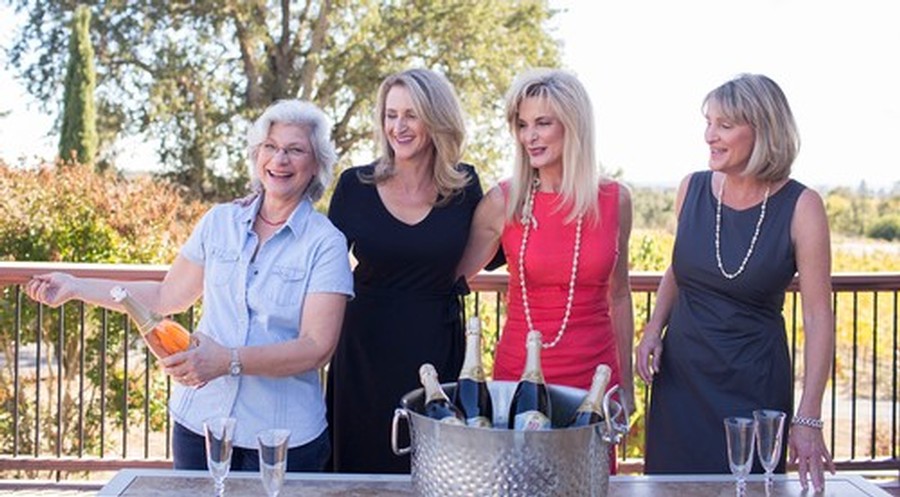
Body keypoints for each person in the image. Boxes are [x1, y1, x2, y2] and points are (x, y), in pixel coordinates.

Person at [25, 99, 354, 472]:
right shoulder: (219, 223)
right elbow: (167, 296)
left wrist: (228, 361)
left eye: (295, 150)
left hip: (282, 438)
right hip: (200, 425)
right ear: (257, 155)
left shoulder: (326, 243)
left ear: (316, 166)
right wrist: (77, 286)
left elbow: (316, 348)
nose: (280, 160)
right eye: (271, 147)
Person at [635, 73, 835, 491]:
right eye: (708, 122)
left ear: (762, 131)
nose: (710, 135)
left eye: (725, 125)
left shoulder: (802, 205)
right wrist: (654, 328)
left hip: (754, 390)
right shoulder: (691, 188)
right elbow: (678, 268)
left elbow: (818, 316)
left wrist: (808, 416)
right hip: (681, 383)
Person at [326, 68, 490, 474]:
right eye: (391, 114)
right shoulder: (354, 185)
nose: (398, 126)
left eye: (411, 115)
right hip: (364, 352)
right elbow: (322, 267)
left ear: (436, 119)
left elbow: (495, 242)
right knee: (360, 467)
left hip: (437, 350)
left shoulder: (465, 186)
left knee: (434, 468)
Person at [457, 68, 636, 426]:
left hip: (596, 379)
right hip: (519, 376)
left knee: (588, 482)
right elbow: (449, 278)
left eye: (542, 123)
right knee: (520, 481)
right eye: (522, 125)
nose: (530, 136)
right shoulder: (503, 201)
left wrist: (627, 387)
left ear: (573, 125)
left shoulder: (616, 200)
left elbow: (619, 295)